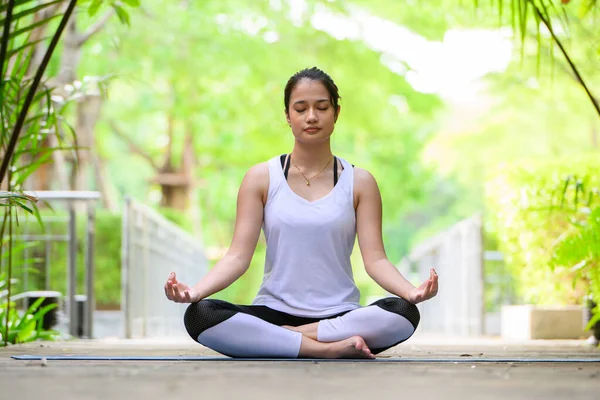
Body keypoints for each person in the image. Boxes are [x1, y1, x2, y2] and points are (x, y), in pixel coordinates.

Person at [164, 67, 439, 359]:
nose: (311, 116)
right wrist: (195, 293)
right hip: (273, 311)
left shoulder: (360, 182)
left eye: (321, 107)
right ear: (287, 115)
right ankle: (330, 350)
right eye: (300, 108)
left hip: (338, 318)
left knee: (403, 313)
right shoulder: (261, 178)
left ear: (336, 112)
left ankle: (292, 339)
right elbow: (237, 256)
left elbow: (376, 260)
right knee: (201, 315)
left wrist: (411, 292)